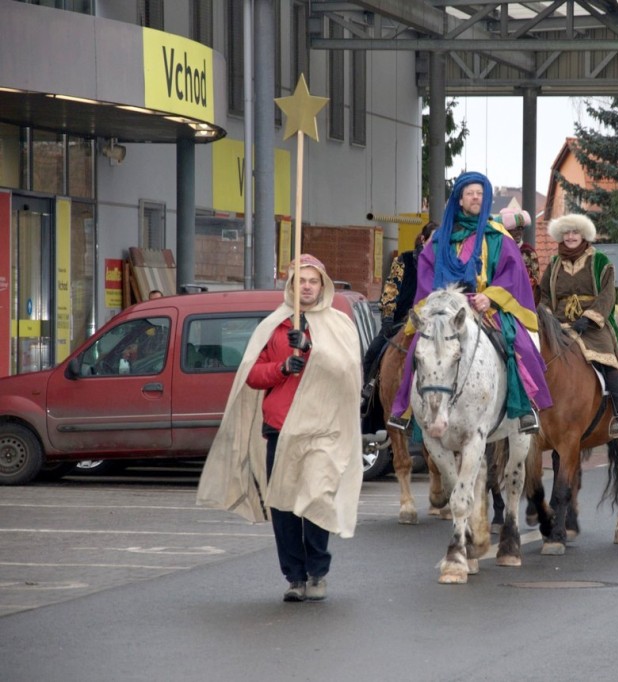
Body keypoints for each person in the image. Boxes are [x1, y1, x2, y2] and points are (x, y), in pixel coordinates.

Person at [197, 254, 362, 602]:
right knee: (284, 505)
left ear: (323, 285)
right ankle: (295, 577)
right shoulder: (273, 326)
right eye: (300, 280)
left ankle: (318, 571)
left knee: (317, 496)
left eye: (313, 281)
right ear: (290, 285)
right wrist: (282, 367)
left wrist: (313, 351)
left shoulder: (338, 323)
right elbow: (252, 375)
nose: (306, 286)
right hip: (281, 427)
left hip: (323, 427)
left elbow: (348, 371)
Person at [387, 171, 552, 434]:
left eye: (480, 193)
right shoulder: (440, 238)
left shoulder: (498, 236)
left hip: (483, 307)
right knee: (415, 347)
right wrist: (438, 302)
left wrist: (492, 297)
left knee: (516, 344)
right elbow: (427, 274)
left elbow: (513, 275)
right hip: (444, 308)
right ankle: (405, 410)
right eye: (470, 194)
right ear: (460, 200)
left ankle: (525, 409)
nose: (475, 198)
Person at [537, 213, 618, 439]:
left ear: (584, 235)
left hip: (593, 325)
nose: (571, 237)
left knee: (608, 360)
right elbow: (543, 296)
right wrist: (549, 318)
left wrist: (590, 318)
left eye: (575, 233)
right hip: (558, 323)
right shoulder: (554, 264)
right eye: (567, 233)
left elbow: (607, 294)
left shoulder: (600, 261)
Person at [360, 222, 437, 406]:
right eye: (433, 240)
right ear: (423, 239)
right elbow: (390, 289)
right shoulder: (404, 260)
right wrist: (387, 319)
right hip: (401, 322)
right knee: (373, 352)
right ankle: (369, 392)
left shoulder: (444, 266)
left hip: (432, 326)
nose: (437, 245)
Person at [499, 208, 541, 302]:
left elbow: (535, 280)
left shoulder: (528, 252)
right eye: (514, 229)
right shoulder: (498, 250)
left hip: (523, 300)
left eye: (521, 228)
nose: (518, 232)